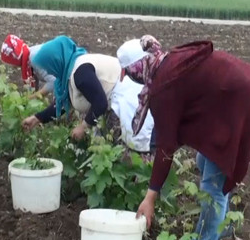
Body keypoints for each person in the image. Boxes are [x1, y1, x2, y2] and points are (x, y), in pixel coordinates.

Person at [129, 35, 250, 240]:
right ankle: (223, 227)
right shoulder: (168, 62)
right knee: (205, 160)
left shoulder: (163, 85)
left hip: (240, 103)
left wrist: (150, 196)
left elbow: (166, 147)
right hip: (244, 89)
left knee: (212, 189)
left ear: (137, 69)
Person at [20, 35, 154, 155]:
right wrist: (37, 118)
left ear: (55, 61)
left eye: (48, 67)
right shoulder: (70, 70)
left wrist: (83, 127)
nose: (48, 71)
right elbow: (63, 104)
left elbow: (100, 103)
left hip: (125, 103)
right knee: (108, 148)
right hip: (113, 103)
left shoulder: (80, 73)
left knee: (125, 152)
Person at [0, 34, 55, 99]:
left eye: (10, 63)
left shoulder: (34, 59)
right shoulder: (28, 60)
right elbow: (36, 84)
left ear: (15, 59)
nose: (11, 67)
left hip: (68, 76)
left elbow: (54, 82)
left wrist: (33, 97)